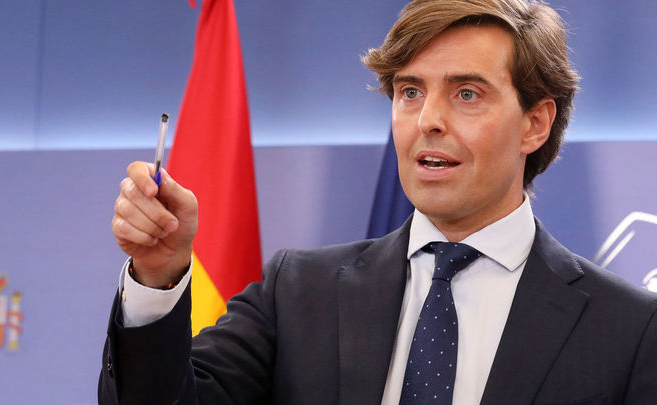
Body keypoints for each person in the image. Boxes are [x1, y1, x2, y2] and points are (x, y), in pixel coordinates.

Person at [99, 0, 657, 404]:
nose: (427, 120)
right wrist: (157, 277)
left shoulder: (630, 329)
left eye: (466, 93)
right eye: (410, 91)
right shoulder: (297, 293)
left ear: (535, 123)